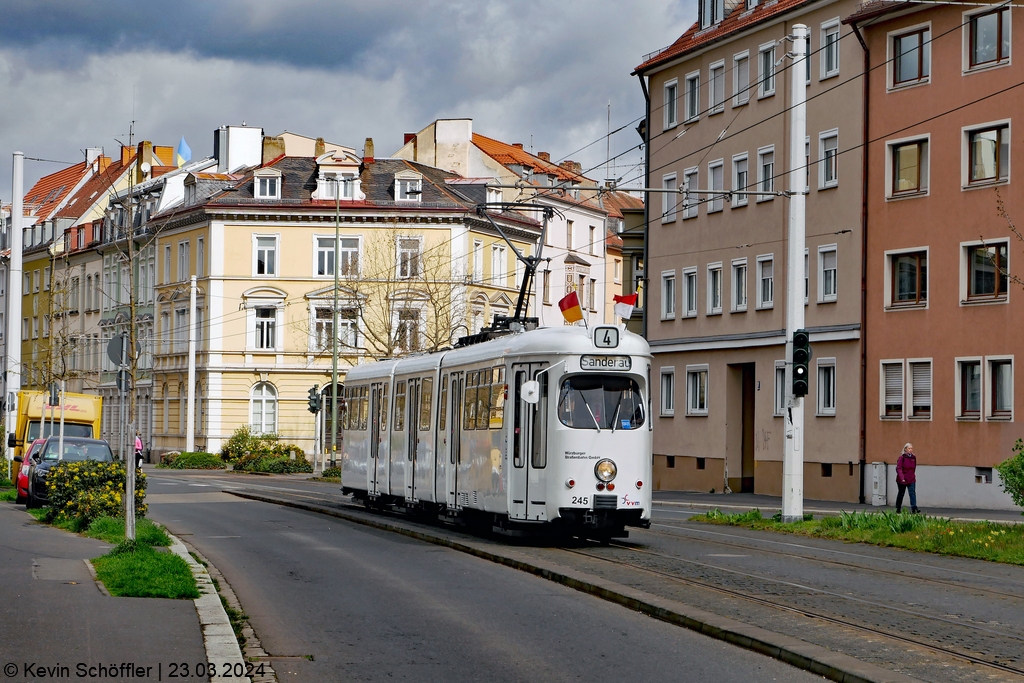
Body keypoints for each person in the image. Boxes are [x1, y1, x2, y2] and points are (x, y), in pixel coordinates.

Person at [895, 443, 919, 514]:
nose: (910, 450)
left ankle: (914, 508)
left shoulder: (913, 457)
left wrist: (913, 475)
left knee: (912, 493)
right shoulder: (902, 457)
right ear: (905, 449)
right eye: (909, 448)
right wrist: (902, 477)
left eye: (911, 448)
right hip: (902, 479)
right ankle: (898, 508)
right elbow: (898, 468)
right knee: (901, 493)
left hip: (911, 478)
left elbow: (914, 468)